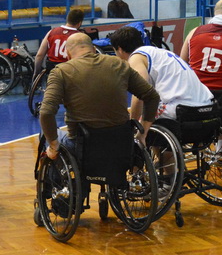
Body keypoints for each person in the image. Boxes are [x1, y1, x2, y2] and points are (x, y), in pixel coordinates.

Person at [38, 32, 160, 161]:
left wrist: (54, 145)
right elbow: (152, 96)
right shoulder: (119, 64)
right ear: (95, 49)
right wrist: (143, 133)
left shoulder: (61, 72)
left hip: (83, 147)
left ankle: (52, 179)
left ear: (68, 54)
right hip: (121, 143)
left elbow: (46, 112)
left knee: (46, 134)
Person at [109, 25, 214, 133]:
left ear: (119, 49)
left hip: (182, 107)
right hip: (206, 104)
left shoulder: (136, 57)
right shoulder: (160, 52)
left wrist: (132, 124)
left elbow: (139, 94)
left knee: (143, 122)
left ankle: (150, 146)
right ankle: (159, 149)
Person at [33, 8, 85, 76]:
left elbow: (39, 55)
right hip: (70, 72)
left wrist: (36, 73)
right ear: (79, 23)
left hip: (52, 71)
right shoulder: (80, 36)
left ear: (67, 19)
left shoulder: (51, 32)